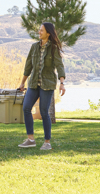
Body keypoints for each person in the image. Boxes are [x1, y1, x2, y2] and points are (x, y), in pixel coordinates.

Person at [17, 22, 66, 150]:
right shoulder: (34, 47)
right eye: (39, 30)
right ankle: (30, 139)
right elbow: (28, 66)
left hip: (47, 85)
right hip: (33, 84)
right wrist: (22, 83)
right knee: (26, 108)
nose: (39, 32)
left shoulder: (53, 48)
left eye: (42, 30)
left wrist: (62, 83)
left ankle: (47, 142)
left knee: (44, 112)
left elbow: (60, 65)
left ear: (48, 33)